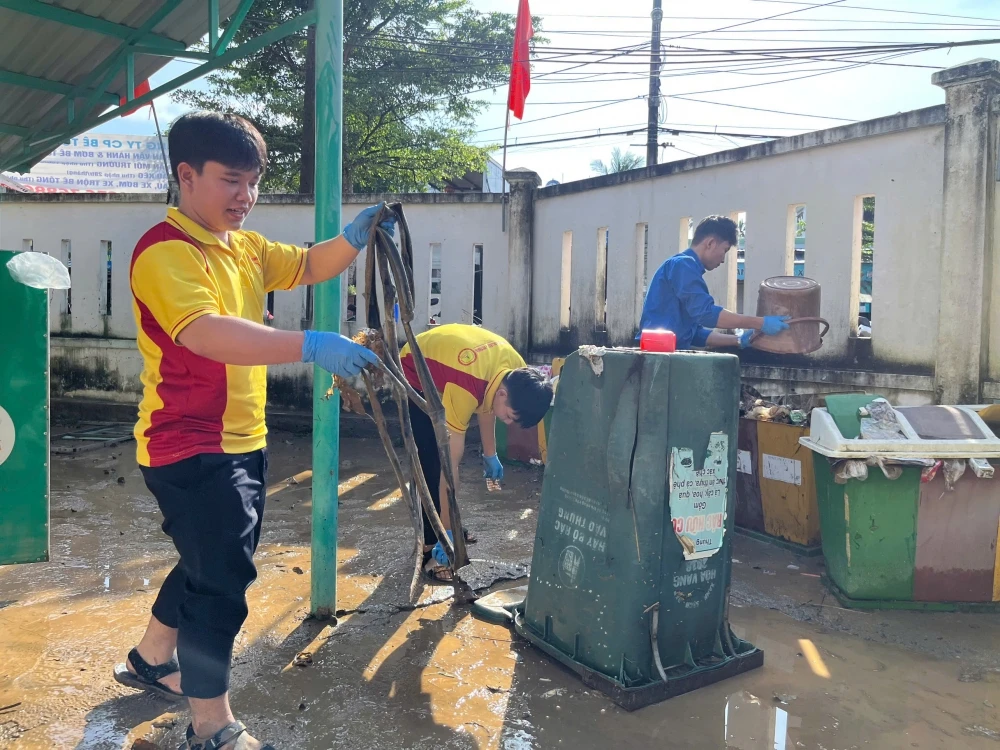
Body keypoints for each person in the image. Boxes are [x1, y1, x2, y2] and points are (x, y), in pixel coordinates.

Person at [112, 111, 394, 750]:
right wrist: (310, 343)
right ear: (186, 176)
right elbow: (205, 332)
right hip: (190, 443)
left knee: (207, 558)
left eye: (254, 182)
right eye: (231, 181)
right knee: (222, 581)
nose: (246, 196)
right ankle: (211, 725)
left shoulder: (243, 246)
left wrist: (354, 237)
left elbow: (308, 264)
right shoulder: (166, 251)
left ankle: (152, 658)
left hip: (241, 439)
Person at [399, 324, 553, 583]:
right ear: (504, 395)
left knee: (442, 460)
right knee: (432, 461)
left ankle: (449, 525)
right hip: (415, 369)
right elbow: (450, 466)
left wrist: (490, 453)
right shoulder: (465, 387)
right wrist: (447, 534)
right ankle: (432, 544)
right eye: (509, 417)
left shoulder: (517, 371)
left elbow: (488, 402)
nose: (507, 422)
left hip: (459, 364)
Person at [638, 215, 790, 350]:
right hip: (656, 356)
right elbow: (706, 314)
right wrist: (760, 323)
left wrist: (740, 340)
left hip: (663, 352)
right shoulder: (683, 265)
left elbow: (694, 334)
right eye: (725, 250)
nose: (723, 259)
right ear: (710, 243)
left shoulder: (685, 267)